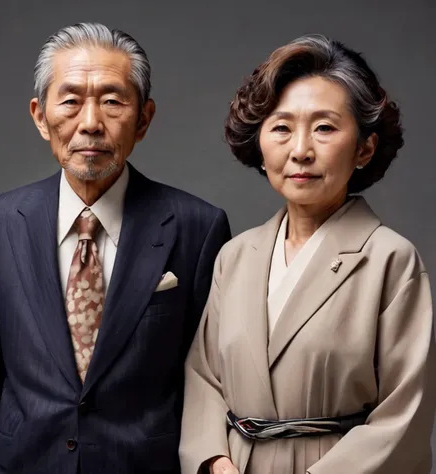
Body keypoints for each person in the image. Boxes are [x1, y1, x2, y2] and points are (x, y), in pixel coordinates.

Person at [0, 22, 231, 474]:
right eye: (70, 100)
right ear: (39, 115)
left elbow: (211, 381)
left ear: (143, 119)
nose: (90, 122)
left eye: (112, 101)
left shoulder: (198, 227)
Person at [179, 35, 436, 474]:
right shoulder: (236, 256)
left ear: (364, 148)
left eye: (325, 127)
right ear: (259, 145)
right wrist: (215, 460)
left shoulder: (391, 260)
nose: (300, 150)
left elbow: (403, 416)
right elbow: (205, 378)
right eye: (281, 128)